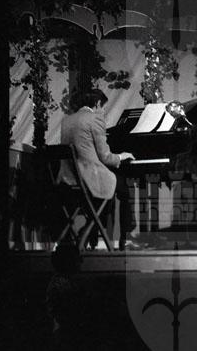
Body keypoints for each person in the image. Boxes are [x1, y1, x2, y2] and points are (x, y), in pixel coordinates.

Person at [58, 88, 137, 250]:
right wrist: (121, 156)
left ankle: (91, 233)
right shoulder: (95, 119)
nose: (103, 112)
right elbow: (105, 157)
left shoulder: (67, 120)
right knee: (124, 188)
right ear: (97, 103)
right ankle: (125, 236)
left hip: (69, 178)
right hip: (89, 177)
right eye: (103, 108)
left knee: (105, 194)